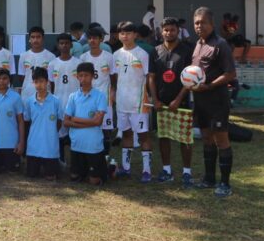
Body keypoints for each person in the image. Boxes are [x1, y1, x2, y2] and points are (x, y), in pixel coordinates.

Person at [189, 7, 237, 197]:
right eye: (196, 23)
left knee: (221, 140)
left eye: (203, 22)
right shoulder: (198, 44)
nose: (199, 26)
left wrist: (209, 86)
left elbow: (230, 74)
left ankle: (225, 184)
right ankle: (209, 179)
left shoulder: (220, 44)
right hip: (200, 101)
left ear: (212, 23)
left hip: (217, 101)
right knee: (207, 139)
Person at [148, 17, 194, 186]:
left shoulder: (187, 50)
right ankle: (167, 170)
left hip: (180, 102)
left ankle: (187, 173)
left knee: (185, 138)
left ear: (178, 31)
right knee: (164, 136)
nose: (169, 32)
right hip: (161, 102)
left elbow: (191, 78)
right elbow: (151, 78)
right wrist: (155, 99)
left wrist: (178, 99)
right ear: (161, 32)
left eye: (172, 30)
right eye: (166, 30)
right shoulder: (155, 51)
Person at [112, 22, 154, 182]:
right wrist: (115, 93)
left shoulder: (142, 54)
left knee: (143, 136)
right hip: (122, 103)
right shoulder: (116, 55)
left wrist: (150, 97)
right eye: (122, 33)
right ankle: (126, 168)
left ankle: (147, 170)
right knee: (127, 135)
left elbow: (149, 77)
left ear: (135, 34)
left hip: (138, 103)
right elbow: (115, 78)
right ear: (118, 35)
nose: (125, 36)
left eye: (128, 33)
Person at [64, 62, 107, 185]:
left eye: (86, 75)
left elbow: (98, 122)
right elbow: (66, 122)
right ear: (77, 77)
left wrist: (75, 119)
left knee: (94, 181)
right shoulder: (73, 96)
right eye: (81, 75)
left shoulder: (100, 96)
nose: (83, 78)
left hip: (93, 146)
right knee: (75, 178)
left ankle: (110, 168)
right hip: (77, 145)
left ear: (93, 76)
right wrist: (90, 122)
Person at [80, 27, 116, 159]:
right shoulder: (83, 57)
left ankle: (105, 158)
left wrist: (112, 94)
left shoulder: (109, 57)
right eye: (90, 38)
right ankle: (89, 156)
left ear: (101, 39)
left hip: (104, 99)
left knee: (106, 130)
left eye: (95, 38)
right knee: (88, 129)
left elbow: (113, 79)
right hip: (88, 99)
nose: (92, 41)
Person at [23, 67, 62, 180]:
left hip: (50, 146)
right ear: (33, 83)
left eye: (41, 81)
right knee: (31, 175)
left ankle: (57, 165)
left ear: (47, 82)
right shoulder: (29, 101)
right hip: (33, 146)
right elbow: (27, 120)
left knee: (50, 176)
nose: (39, 85)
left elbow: (59, 122)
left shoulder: (56, 101)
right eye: (36, 82)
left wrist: (50, 133)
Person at [49, 33, 80, 164]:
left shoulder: (78, 63)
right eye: (61, 43)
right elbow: (51, 85)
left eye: (67, 43)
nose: (64, 45)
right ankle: (61, 161)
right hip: (59, 103)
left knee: (75, 135)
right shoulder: (52, 63)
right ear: (58, 45)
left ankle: (76, 163)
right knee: (60, 135)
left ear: (71, 45)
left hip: (75, 104)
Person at [17, 26, 55, 103]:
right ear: (29, 39)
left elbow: (52, 80)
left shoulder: (51, 56)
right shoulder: (23, 56)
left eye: (38, 37)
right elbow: (21, 77)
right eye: (33, 37)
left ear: (43, 38)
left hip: (45, 95)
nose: (35, 40)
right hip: (27, 94)